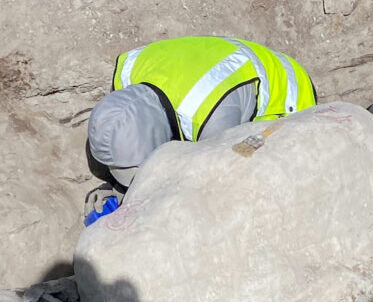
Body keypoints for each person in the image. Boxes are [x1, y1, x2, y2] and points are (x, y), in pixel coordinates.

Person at [85, 36, 316, 196]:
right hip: (222, 62)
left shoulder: (211, 118)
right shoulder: (127, 73)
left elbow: (210, 187)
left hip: (286, 95)